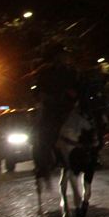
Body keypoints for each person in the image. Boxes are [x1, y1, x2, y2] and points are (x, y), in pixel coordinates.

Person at [33, 44, 80, 179]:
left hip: (69, 106)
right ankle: (43, 160)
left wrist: (75, 95)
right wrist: (42, 95)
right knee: (41, 128)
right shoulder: (45, 72)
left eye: (66, 57)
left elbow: (79, 88)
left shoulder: (74, 72)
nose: (65, 59)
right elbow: (38, 89)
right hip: (51, 106)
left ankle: (92, 152)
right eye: (62, 57)